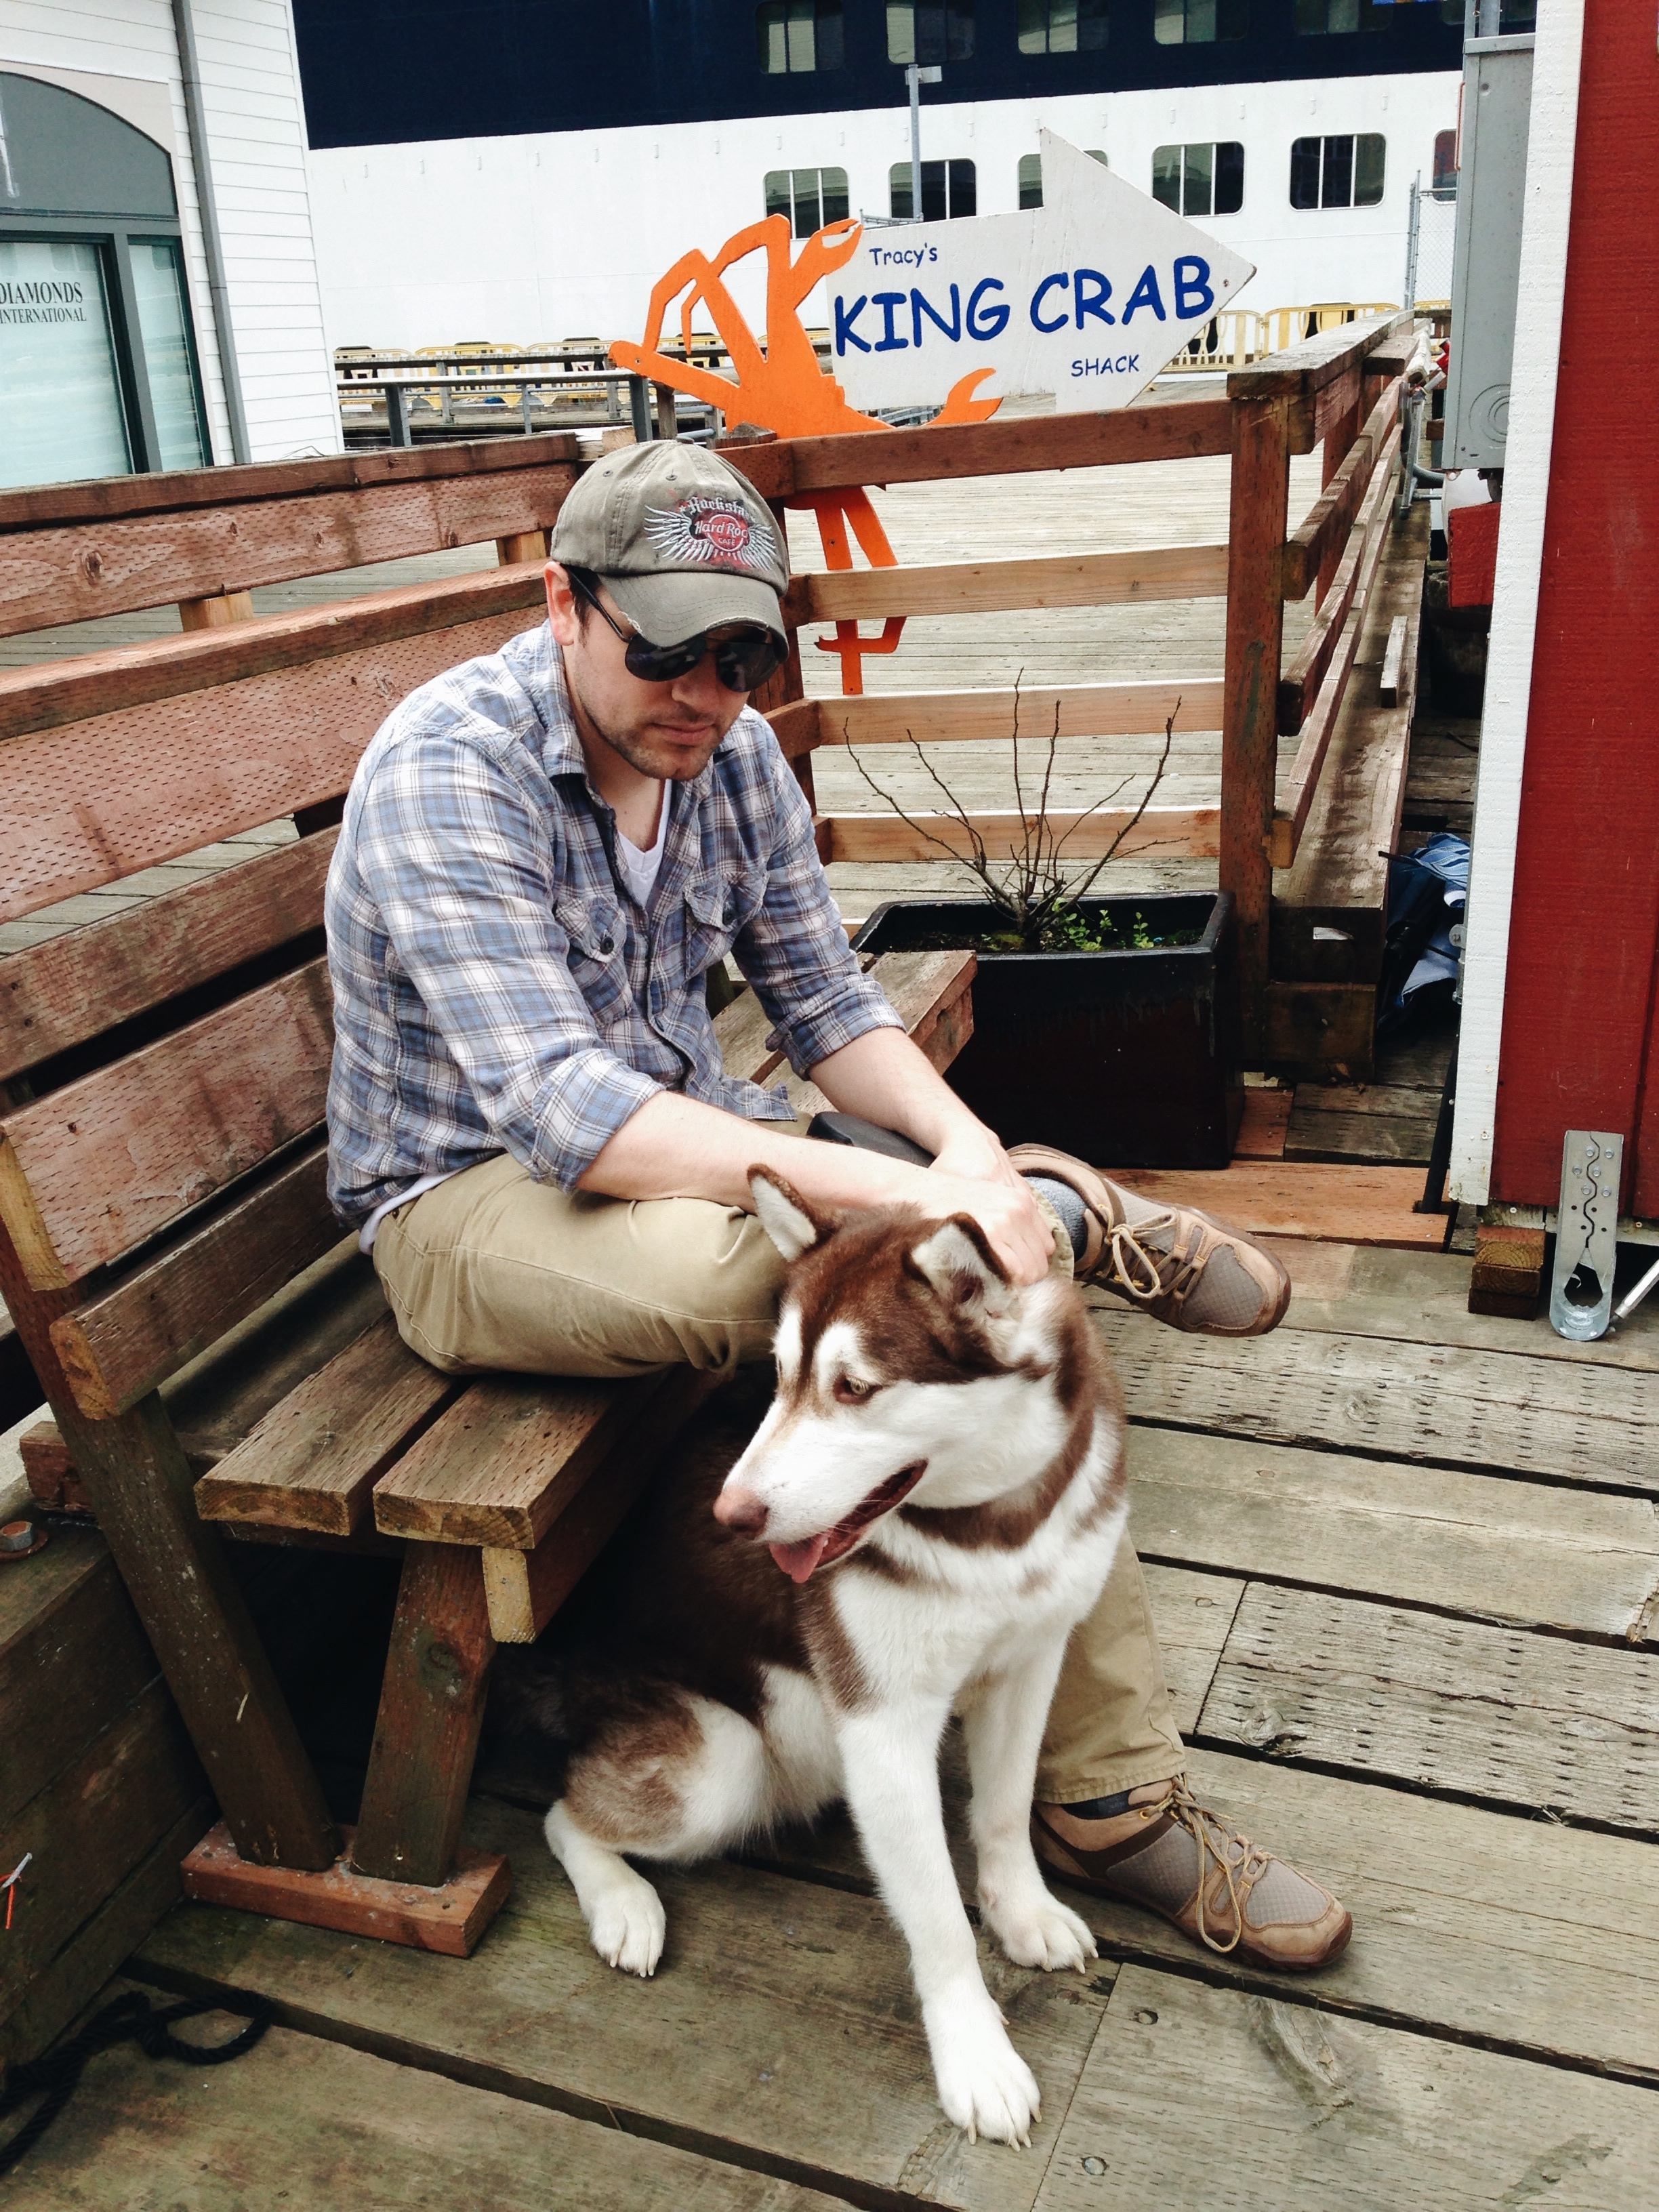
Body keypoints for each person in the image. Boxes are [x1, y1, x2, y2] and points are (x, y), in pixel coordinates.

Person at [325, 439, 1351, 1971]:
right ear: (563, 602)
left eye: (745, 651)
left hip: (701, 1152)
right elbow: (557, 1104)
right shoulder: (448, 766)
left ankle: (1106, 1791)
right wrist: (911, 1199)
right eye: (668, 645)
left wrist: (972, 1161)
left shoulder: (724, 757)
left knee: (989, 1304)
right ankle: (1054, 1227)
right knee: (843, 1298)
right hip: (463, 1200)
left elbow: (821, 1000)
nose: (709, 689)